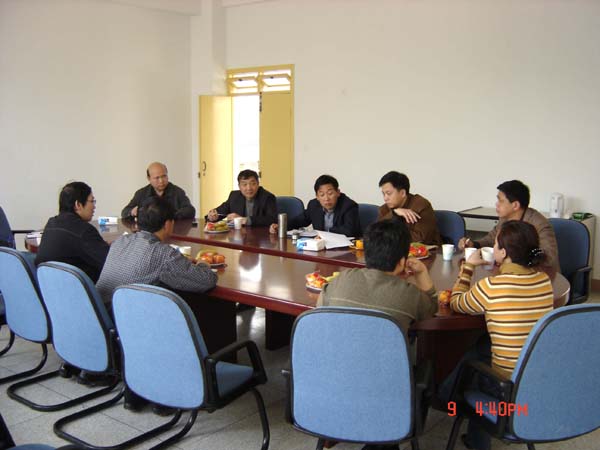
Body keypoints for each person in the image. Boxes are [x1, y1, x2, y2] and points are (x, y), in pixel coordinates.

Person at [445, 220, 554, 450]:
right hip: (539, 380)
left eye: (495, 245)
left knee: (470, 360)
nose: (493, 248)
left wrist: (468, 267)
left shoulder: (492, 287)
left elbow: (456, 302)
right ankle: (475, 437)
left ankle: (452, 408)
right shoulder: (544, 281)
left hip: (505, 387)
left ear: (503, 253)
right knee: (482, 344)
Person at [317, 219, 438, 334]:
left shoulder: (342, 279)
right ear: (402, 262)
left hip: (336, 348)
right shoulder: (410, 294)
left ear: (365, 254)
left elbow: (319, 309)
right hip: (389, 350)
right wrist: (421, 273)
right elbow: (431, 309)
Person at [97, 197, 217, 305]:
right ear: (168, 224)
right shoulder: (164, 254)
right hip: (127, 318)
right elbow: (207, 281)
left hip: (100, 313)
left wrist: (181, 262)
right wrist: (203, 264)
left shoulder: (121, 240)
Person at [458, 180, 559, 272]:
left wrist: (513, 261)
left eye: (501, 201)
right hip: (510, 273)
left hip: (541, 276)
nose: (496, 204)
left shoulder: (540, 224)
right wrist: (474, 244)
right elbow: (491, 239)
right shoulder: (505, 218)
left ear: (515, 205)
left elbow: (548, 258)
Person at [35, 182, 109, 283]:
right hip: (83, 288)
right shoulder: (84, 231)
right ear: (78, 204)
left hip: (50, 286)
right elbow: (110, 264)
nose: (94, 206)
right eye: (92, 201)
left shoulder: (52, 223)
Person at [269, 174, 360, 237]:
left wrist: (327, 232)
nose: (326, 198)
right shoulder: (314, 205)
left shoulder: (349, 206)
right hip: (321, 248)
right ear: (317, 196)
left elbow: (350, 231)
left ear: (338, 192)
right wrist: (281, 226)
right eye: (322, 195)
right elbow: (299, 221)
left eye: (330, 193)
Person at [377, 171, 442, 245]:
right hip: (394, 250)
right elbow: (375, 235)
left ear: (402, 193)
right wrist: (394, 213)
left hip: (427, 250)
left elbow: (421, 239)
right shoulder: (384, 209)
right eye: (383, 194)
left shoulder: (421, 205)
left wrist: (388, 235)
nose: (385, 198)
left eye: (389, 193)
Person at [121, 162, 195, 220]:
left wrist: (169, 216)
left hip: (171, 230)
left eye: (164, 176)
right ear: (149, 178)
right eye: (157, 178)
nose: (161, 181)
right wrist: (132, 212)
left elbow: (190, 210)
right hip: (148, 231)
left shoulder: (177, 192)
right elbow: (125, 212)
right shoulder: (141, 193)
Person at [206, 169, 277, 226]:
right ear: (239, 186)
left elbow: (272, 219)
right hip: (239, 236)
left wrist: (246, 220)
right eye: (244, 184)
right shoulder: (234, 196)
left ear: (258, 184)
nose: (249, 188)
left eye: (253, 184)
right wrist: (212, 216)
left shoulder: (267, 197)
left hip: (260, 236)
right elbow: (220, 212)